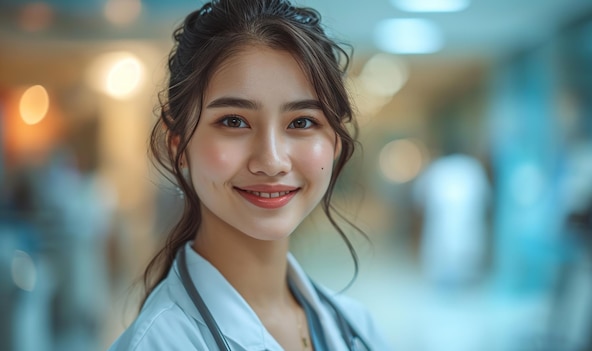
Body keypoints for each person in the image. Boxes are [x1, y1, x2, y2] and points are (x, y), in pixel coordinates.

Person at [108, 0, 389, 350]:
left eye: (302, 122)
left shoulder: (355, 327)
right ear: (178, 145)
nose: (271, 161)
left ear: (334, 142)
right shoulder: (160, 343)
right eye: (233, 121)